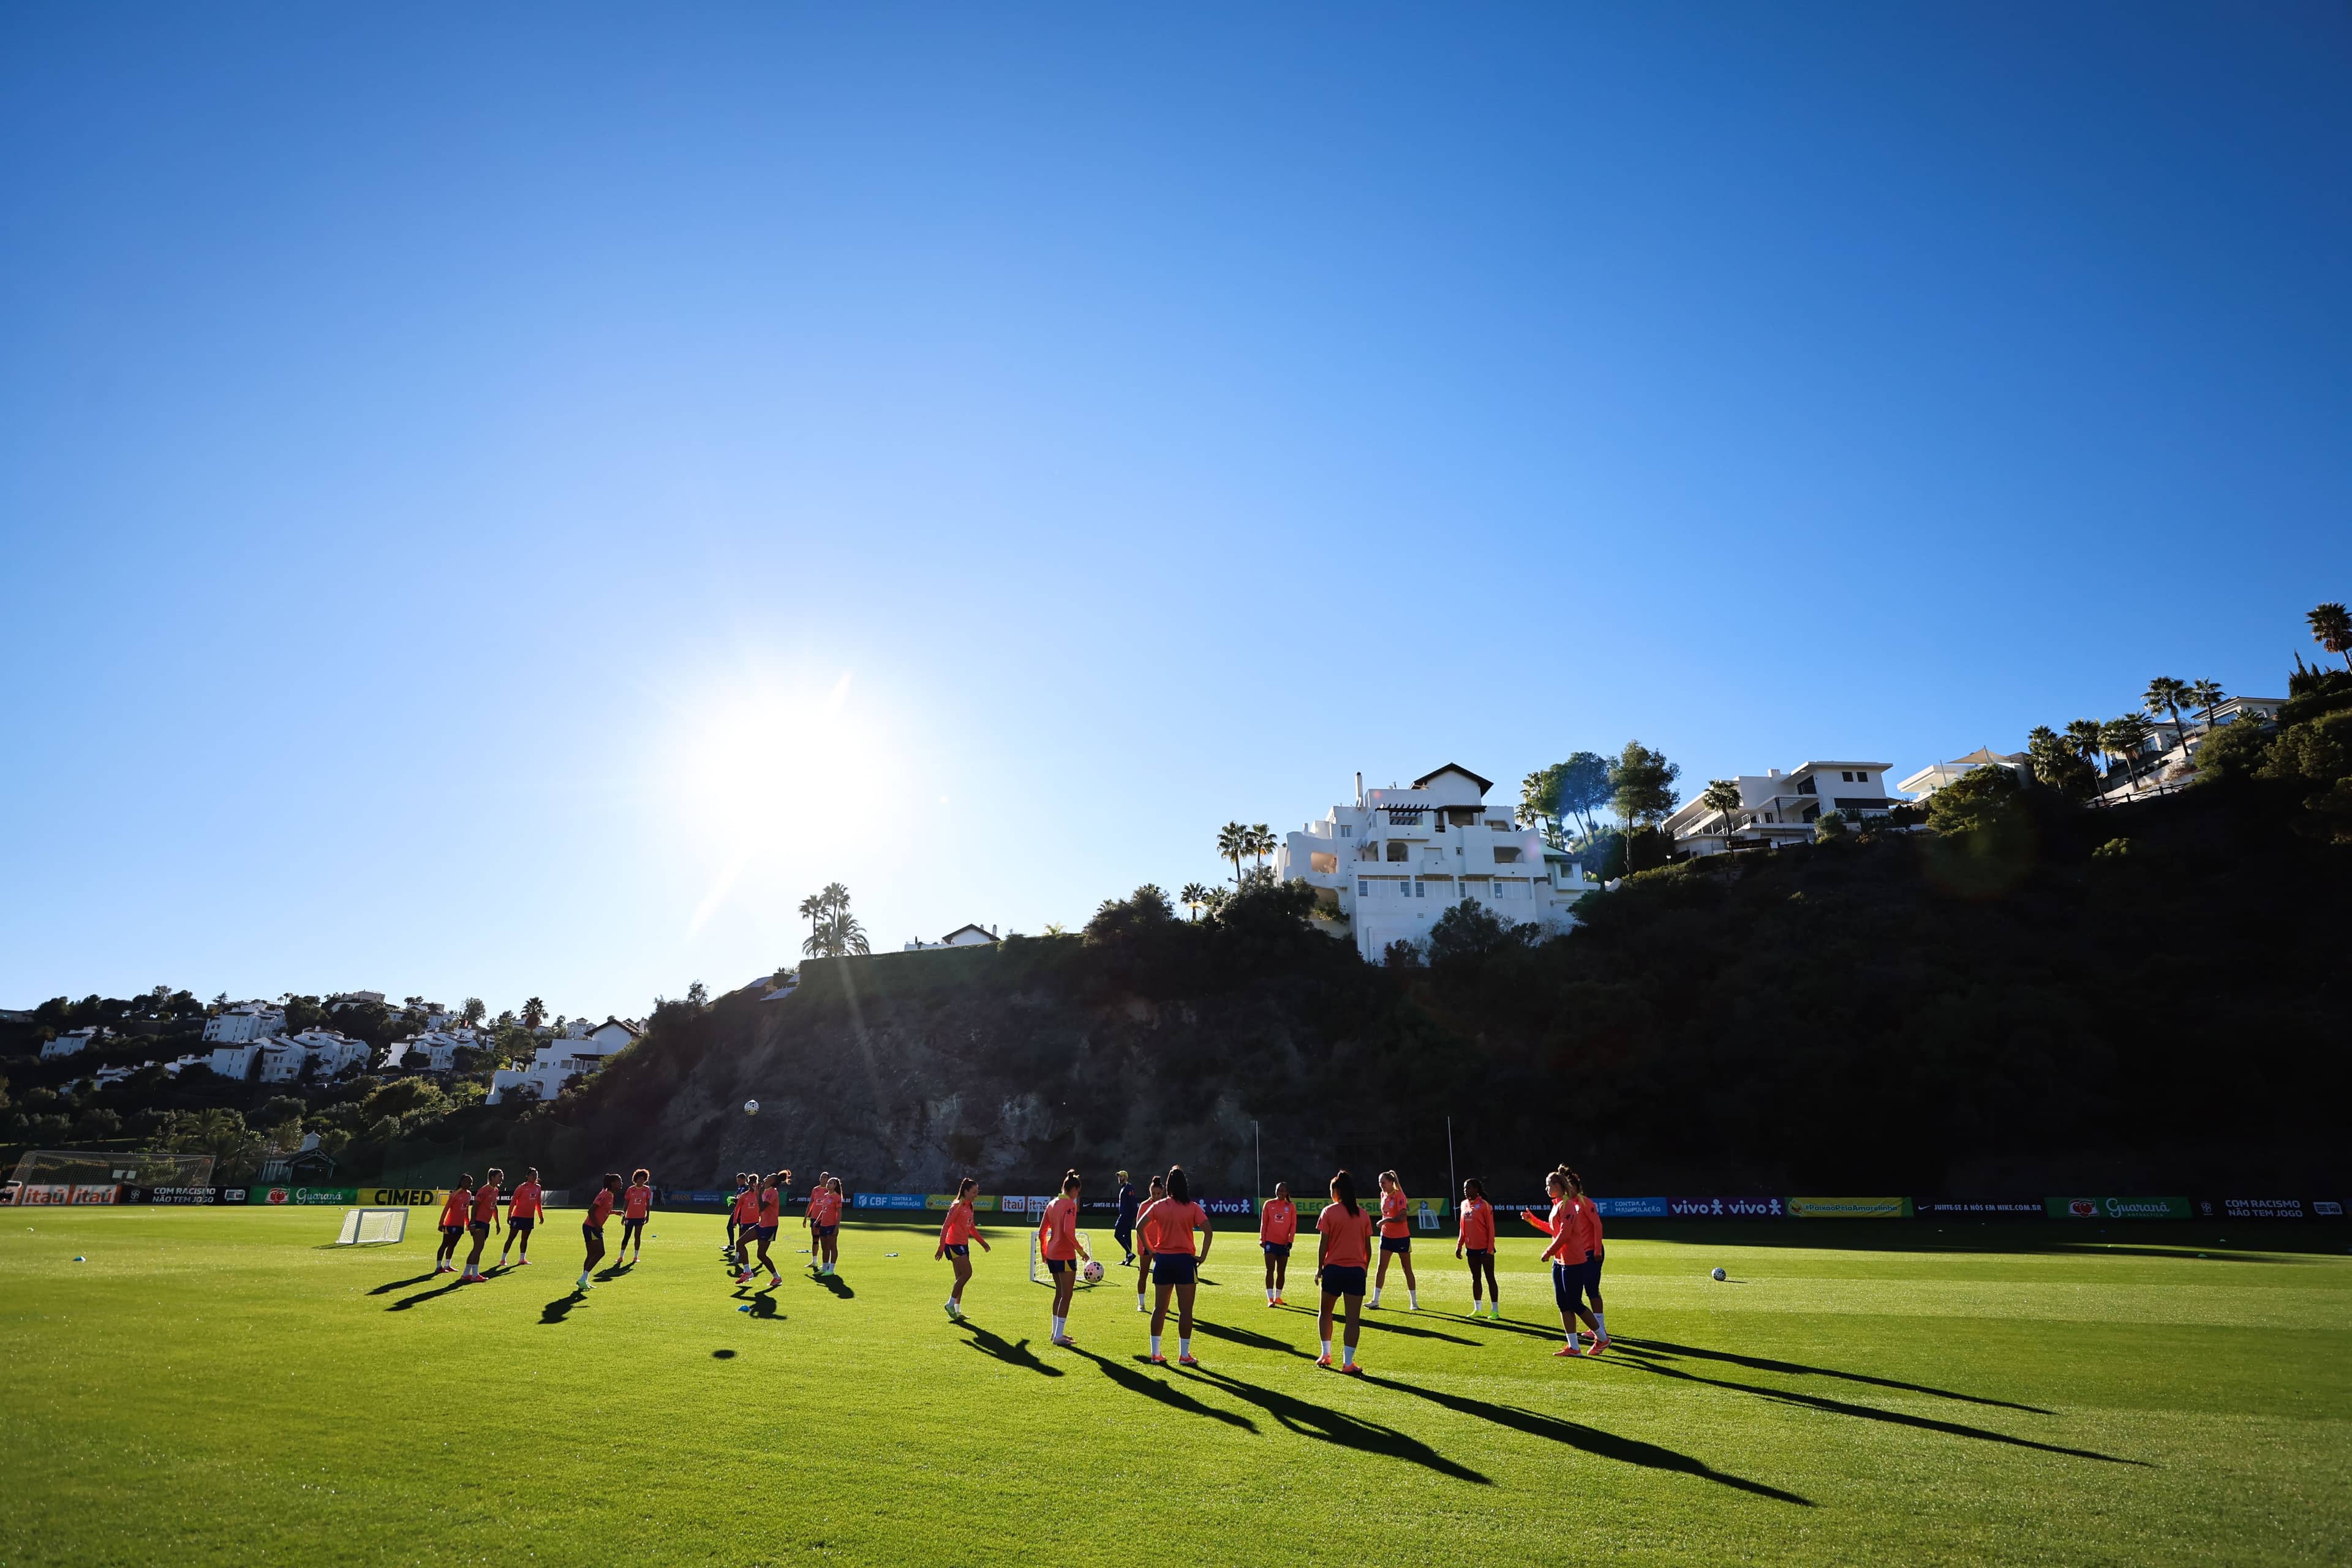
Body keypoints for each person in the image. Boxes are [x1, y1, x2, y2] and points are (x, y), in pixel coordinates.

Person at [1521, 1167, 1600, 1355]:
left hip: (1573, 1260)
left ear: (1558, 1186)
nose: (1546, 1189)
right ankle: (1574, 1347)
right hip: (1561, 1260)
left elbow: (1565, 1234)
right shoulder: (1557, 1205)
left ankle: (1603, 1338)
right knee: (1563, 1303)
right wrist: (1532, 1220)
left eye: (1548, 1185)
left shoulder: (1568, 1205)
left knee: (1575, 1302)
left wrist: (1548, 1251)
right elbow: (1553, 1230)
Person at [1139, 1165, 1212, 1366]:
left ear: (1168, 1186)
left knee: (1159, 1309)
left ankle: (1155, 1353)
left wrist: (1151, 1250)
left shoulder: (1159, 1206)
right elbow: (1208, 1231)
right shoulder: (1193, 1207)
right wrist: (1202, 1256)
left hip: (1163, 1261)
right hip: (1185, 1262)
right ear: (1185, 1185)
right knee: (1185, 1310)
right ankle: (1184, 1355)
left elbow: (1140, 1226)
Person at [1314, 1170, 1374, 1374]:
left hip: (1333, 1270)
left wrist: (1320, 1268)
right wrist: (1364, 1268)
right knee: (1353, 1320)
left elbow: (1323, 1244)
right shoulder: (1363, 1214)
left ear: (1337, 1192)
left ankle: (1326, 1354)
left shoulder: (1329, 1212)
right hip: (1356, 1272)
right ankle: (1348, 1363)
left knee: (1325, 1312)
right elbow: (1368, 1248)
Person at [1036, 1169, 1093, 1347]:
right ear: (1074, 1189)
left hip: (1052, 1254)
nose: (1077, 1196)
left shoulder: (1052, 1204)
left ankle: (1056, 1333)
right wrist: (1081, 1251)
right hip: (1065, 1255)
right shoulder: (1070, 1205)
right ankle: (1059, 1336)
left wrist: (1044, 1252)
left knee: (1059, 1293)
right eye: (1078, 1192)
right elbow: (1069, 1232)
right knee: (1067, 1295)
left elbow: (1042, 1232)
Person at [935, 1176, 990, 1319]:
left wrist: (982, 1242)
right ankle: (950, 1304)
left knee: (960, 1279)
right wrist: (941, 1247)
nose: (976, 1195)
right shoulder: (957, 1206)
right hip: (953, 1245)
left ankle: (956, 1311)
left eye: (977, 1192)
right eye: (974, 1192)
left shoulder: (970, 1206)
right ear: (966, 1192)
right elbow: (946, 1226)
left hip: (964, 1245)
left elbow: (971, 1227)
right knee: (967, 1273)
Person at [1566, 1168, 1608, 1352]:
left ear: (1577, 1187)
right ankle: (1596, 1328)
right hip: (1581, 1254)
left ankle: (1600, 1328)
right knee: (1584, 1289)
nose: (1568, 1190)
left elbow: (1597, 1225)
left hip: (1592, 1252)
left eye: (1571, 1186)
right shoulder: (1569, 1204)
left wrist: (1597, 1250)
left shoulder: (1585, 1202)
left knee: (1592, 1289)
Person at [1370, 1169, 1418, 1311]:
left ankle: (1414, 1302)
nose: (1381, 1185)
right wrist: (1385, 1223)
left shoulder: (1399, 1195)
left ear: (1391, 1182)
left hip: (1402, 1237)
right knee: (1381, 1267)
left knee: (1406, 1268)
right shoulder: (1383, 1195)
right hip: (1386, 1237)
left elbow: (1402, 1217)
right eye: (1380, 1183)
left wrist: (1386, 1221)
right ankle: (1375, 1300)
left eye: (1384, 1182)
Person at [1455, 1177, 1498, 1317]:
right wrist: (1459, 1245)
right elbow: (1462, 1227)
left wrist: (1490, 1248)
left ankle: (1495, 1311)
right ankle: (1478, 1309)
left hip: (1485, 1249)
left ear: (1476, 1189)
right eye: (1464, 1188)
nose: (1465, 1190)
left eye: (1468, 1188)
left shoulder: (1485, 1205)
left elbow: (1491, 1228)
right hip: (1471, 1248)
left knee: (1490, 1278)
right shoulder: (1463, 1205)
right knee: (1476, 1278)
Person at [739, 1170, 788, 1286]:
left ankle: (777, 1278)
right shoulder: (765, 1190)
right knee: (740, 1243)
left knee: (761, 1255)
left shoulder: (773, 1192)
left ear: (773, 1181)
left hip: (770, 1227)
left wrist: (759, 1193)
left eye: (770, 1176)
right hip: (762, 1224)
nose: (767, 1176)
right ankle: (748, 1272)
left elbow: (762, 1208)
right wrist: (758, 1191)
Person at [579, 1172, 621, 1289]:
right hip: (591, 1227)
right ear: (612, 1183)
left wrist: (615, 1212)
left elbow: (604, 1210)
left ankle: (584, 1280)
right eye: (619, 1182)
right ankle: (583, 1279)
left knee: (591, 1254)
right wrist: (597, 1226)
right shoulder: (605, 1194)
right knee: (600, 1253)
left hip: (592, 1227)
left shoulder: (611, 1195)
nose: (621, 1184)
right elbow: (591, 1211)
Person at [461, 1168, 503, 1282]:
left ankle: (466, 1274)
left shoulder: (496, 1190)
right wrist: (473, 1222)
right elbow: (475, 1206)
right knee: (479, 1248)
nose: (502, 1179)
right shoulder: (484, 1190)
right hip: (479, 1222)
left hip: (486, 1223)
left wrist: (498, 1223)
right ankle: (475, 1275)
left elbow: (494, 1207)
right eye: (500, 1176)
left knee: (476, 1248)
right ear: (492, 1178)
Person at [1259, 1182, 1297, 1305]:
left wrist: (1291, 1240)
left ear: (1287, 1193)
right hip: (1270, 1242)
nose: (1281, 1192)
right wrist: (1262, 1239)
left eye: (1283, 1191)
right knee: (1270, 1270)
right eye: (1279, 1190)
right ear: (1275, 1191)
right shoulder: (1269, 1204)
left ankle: (1278, 1297)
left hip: (1284, 1243)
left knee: (1281, 1272)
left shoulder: (1290, 1207)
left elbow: (1293, 1225)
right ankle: (1270, 1299)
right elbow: (1264, 1223)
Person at [1132, 1175, 1166, 1312]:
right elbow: (1139, 1228)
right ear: (1150, 1192)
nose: (1156, 1196)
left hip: (1161, 1246)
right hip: (1147, 1246)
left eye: (1158, 1194)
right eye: (1154, 1194)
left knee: (1162, 1277)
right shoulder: (1144, 1206)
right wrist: (1143, 1247)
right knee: (1144, 1274)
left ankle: (1162, 1304)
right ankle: (1141, 1303)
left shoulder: (1166, 1206)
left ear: (1162, 1193)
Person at [499, 1168, 544, 1267]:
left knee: (525, 1239)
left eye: (536, 1175)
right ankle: (503, 1259)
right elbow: (513, 1201)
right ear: (527, 1176)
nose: (534, 1177)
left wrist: (541, 1215)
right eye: (532, 1175)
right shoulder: (522, 1187)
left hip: (529, 1218)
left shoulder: (538, 1188)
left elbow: (538, 1203)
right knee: (511, 1238)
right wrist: (509, 1215)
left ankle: (522, 1259)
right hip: (518, 1217)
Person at [435, 1178, 473, 1274]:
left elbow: (466, 1210)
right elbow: (446, 1208)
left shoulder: (469, 1194)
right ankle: (439, 1267)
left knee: (453, 1245)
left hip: (460, 1225)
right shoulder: (455, 1194)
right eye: (468, 1182)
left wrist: (467, 1223)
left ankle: (447, 1265)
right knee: (445, 1244)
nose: (470, 1184)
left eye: (471, 1183)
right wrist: (441, 1223)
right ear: (462, 1182)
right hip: (450, 1224)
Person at [809, 1177, 845, 1275]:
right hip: (823, 1226)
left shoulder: (837, 1197)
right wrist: (817, 1221)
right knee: (824, 1248)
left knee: (833, 1247)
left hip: (831, 1225)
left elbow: (839, 1213)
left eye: (831, 1183)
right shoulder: (826, 1196)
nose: (828, 1185)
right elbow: (823, 1210)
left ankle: (831, 1270)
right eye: (828, 1183)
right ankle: (825, 1268)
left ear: (835, 1186)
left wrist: (837, 1227)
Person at [620, 1169, 653, 1265]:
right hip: (630, 1217)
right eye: (639, 1179)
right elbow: (626, 1203)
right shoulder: (630, 1189)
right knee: (627, 1236)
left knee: (637, 1236)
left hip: (640, 1217)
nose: (641, 1181)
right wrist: (623, 1215)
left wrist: (648, 1215)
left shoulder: (647, 1190)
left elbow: (647, 1204)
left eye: (643, 1179)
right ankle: (621, 1257)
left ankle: (636, 1256)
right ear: (635, 1179)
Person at [729, 1176, 762, 1270]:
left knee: (761, 1241)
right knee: (740, 1241)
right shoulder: (744, 1196)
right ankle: (737, 1258)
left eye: (755, 1183)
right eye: (752, 1183)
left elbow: (762, 1208)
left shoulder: (759, 1195)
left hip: (756, 1222)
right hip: (745, 1222)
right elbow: (737, 1209)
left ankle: (762, 1257)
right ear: (749, 1183)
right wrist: (735, 1220)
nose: (753, 1185)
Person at [1112, 1170, 1139, 1267]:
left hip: (1126, 1215)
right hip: (1126, 1215)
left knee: (1117, 1234)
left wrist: (1134, 1215)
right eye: (1119, 1176)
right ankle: (1128, 1258)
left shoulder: (1129, 1187)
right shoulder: (1124, 1188)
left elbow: (1133, 1202)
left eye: (1121, 1176)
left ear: (1126, 1177)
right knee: (1127, 1236)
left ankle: (1130, 1254)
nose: (1119, 1178)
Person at [724, 1173, 748, 1260]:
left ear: (744, 1180)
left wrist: (735, 1200)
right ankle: (732, 1245)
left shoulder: (747, 1188)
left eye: (739, 1180)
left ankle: (740, 1248)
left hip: (742, 1212)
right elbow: (738, 1197)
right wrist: (733, 1199)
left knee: (742, 1231)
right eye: (737, 1180)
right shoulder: (740, 1188)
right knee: (729, 1227)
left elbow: (743, 1200)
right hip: (736, 1211)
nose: (738, 1182)